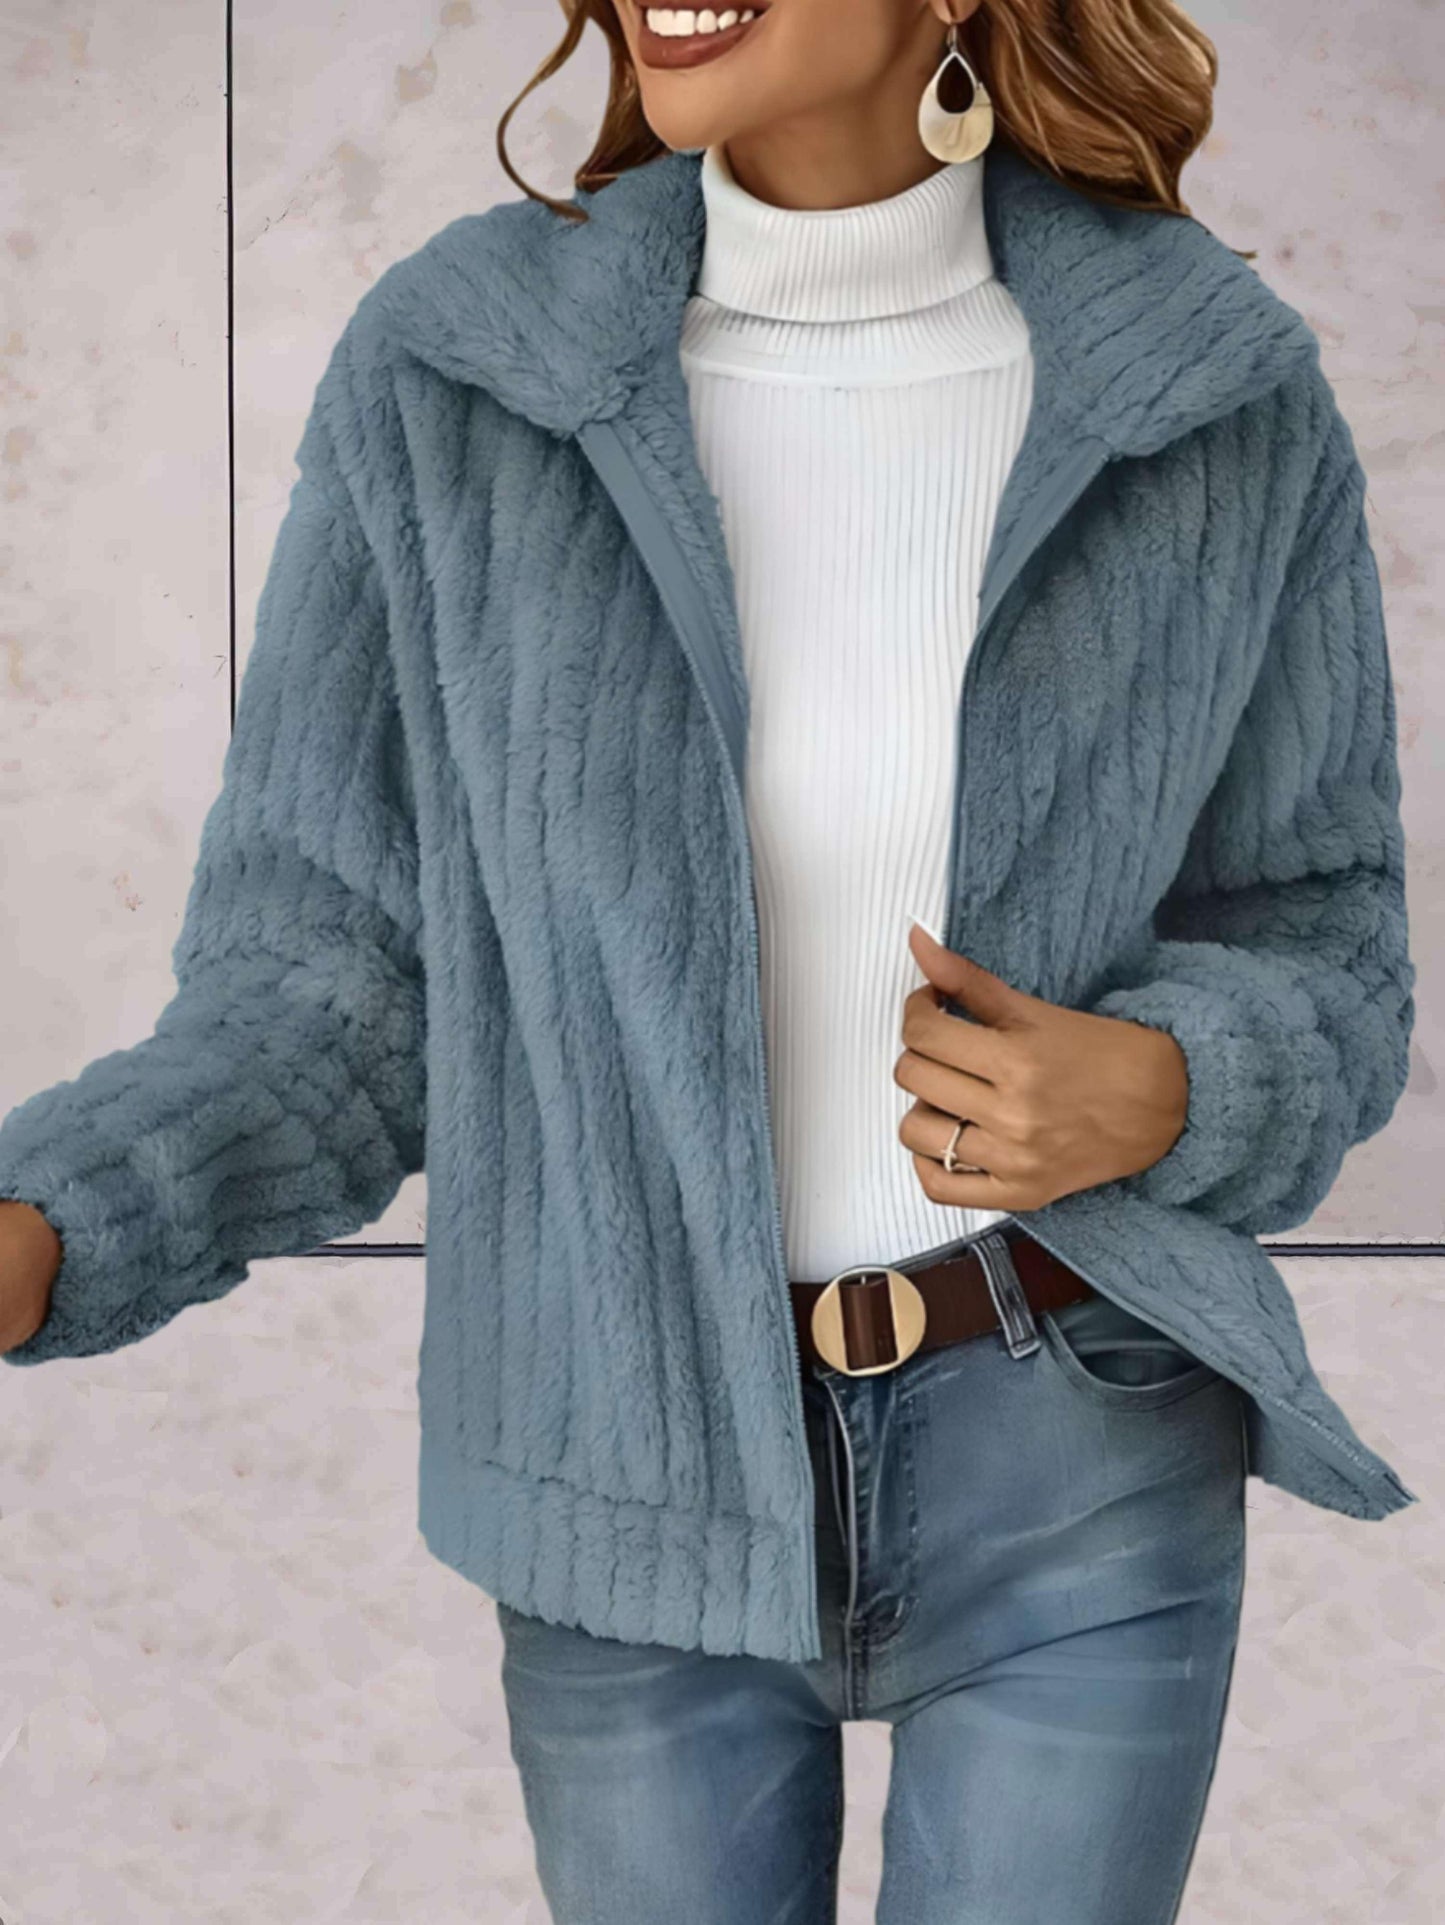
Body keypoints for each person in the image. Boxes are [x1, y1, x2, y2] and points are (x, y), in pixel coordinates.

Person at [0, 2, 1417, 1919]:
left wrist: (1173, 1080)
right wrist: (54, 1219)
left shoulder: (1207, 386)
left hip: (1074, 1432)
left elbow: (1321, 934)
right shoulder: (456, 374)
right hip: (621, 1445)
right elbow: (331, 984)